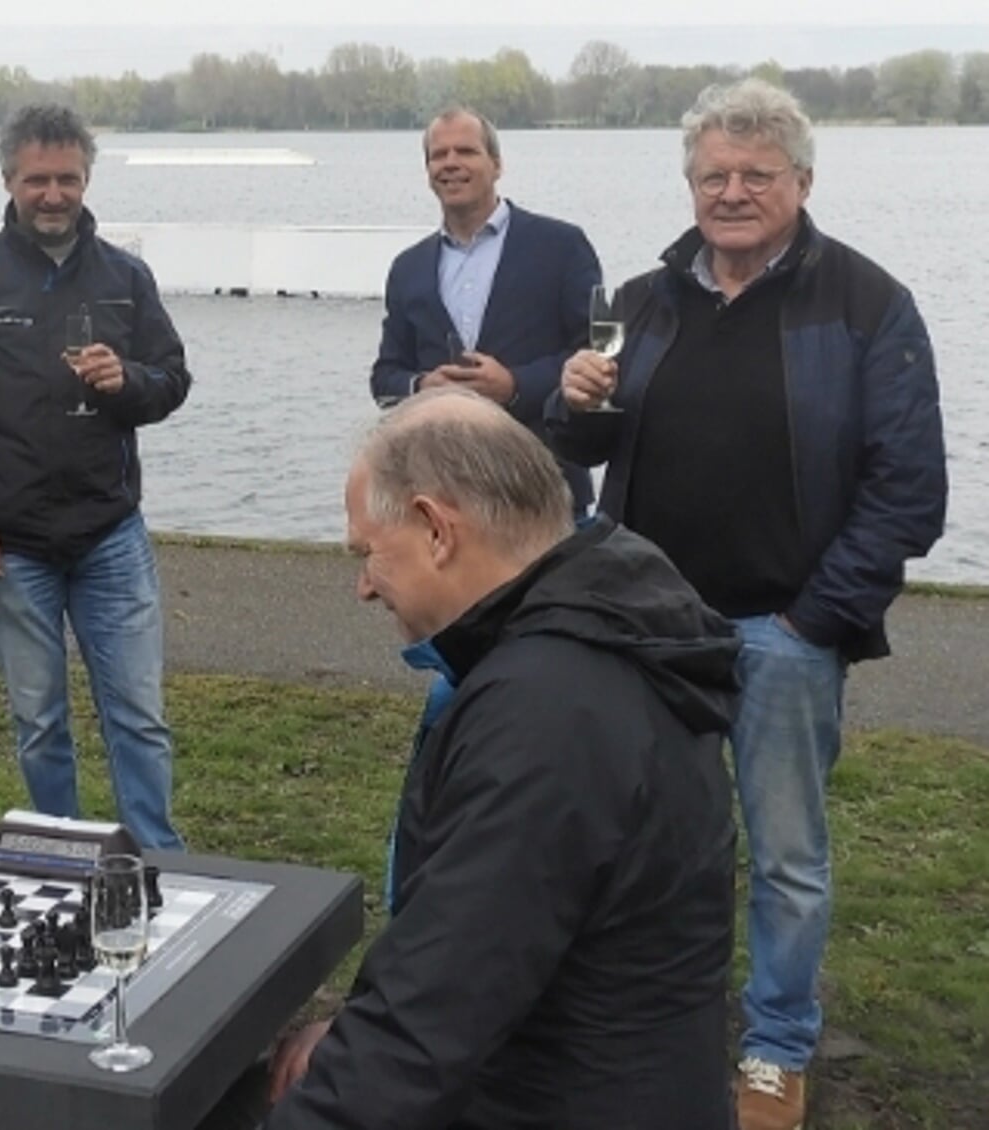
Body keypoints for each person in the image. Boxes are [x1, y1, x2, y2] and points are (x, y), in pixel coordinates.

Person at [548, 78, 947, 1130]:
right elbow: (578, 454)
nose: (731, 191)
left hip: (781, 630)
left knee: (784, 855)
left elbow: (908, 487)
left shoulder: (866, 303)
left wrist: (812, 618)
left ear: (800, 182)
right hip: (647, 629)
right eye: (711, 174)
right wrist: (569, 403)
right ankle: (645, 1013)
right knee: (640, 837)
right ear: (688, 185)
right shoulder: (639, 299)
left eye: (754, 174)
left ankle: (773, 1044)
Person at [265, 388, 740, 1129]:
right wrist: (355, 1032)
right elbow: (480, 950)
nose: (362, 586)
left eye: (367, 553)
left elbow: (429, 1021)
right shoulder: (595, 627)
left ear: (433, 528)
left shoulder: (548, 712)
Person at [0, 103, 192, 850]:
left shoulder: (126, 277)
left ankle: (154, 863)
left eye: (67, 178)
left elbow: (170, 381)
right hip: (11, 542)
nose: (53, 194)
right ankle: (63, 855)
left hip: (109, 535)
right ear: (9, 180)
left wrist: (125, 378)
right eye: (38, 179)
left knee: (138, 713)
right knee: (39, 720)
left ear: (87, 178)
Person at [370, 107, 601, 517]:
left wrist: (515, 385)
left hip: (543, 488)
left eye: (466, 151)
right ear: (427, 171)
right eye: (438, 156)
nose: (451, 164)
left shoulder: (561, 246)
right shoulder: (408, 268)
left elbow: (597, 356)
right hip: (442, 496)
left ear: (496, 164)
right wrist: (423, 387)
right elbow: (386, 377)